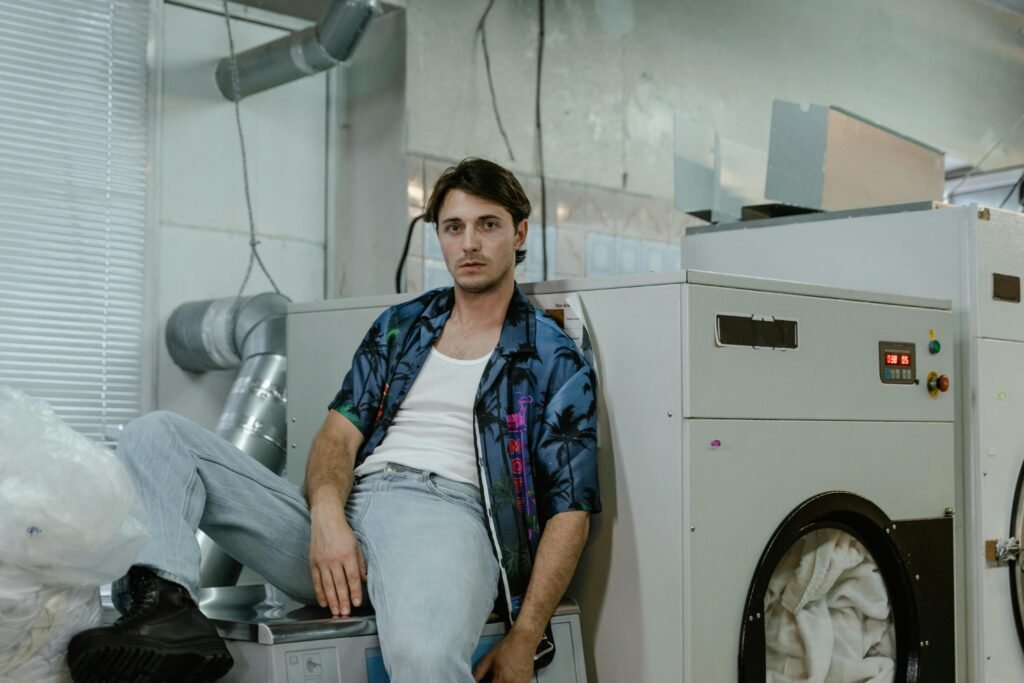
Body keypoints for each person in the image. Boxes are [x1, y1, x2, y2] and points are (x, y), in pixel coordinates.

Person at [67, 158, 600, 683]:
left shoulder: (552, 358)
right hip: (347, 513)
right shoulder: (402, 326)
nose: (469, 244)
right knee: (155, 433)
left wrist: (526, 636)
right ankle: (165, 613)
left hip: (448, 519)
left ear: (519, 232)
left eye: (488, 225)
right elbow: (337, 436)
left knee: (426, 660)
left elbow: (570, 510)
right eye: (453, 227)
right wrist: (326, 518)